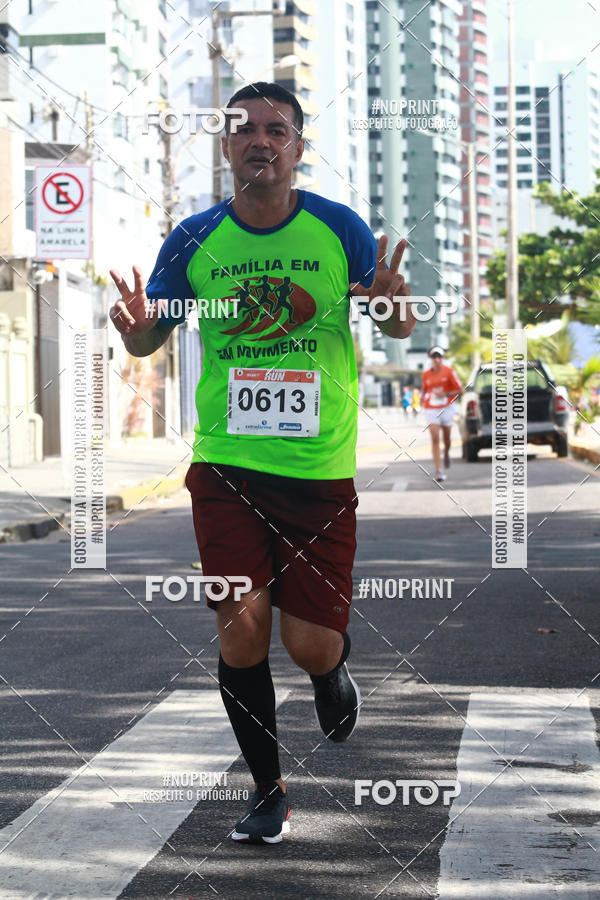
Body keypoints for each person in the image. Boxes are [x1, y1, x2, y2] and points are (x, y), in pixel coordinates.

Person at [109, 82, 415, 845]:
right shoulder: (191, 239)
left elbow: (396, 323)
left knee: (306, 643)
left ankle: (330, 667)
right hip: (225, 467)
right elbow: (153, 341)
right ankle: (266, 789)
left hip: (317, 468)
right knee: (241, 632)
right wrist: (137, 332)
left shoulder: (339, 229)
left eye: (276, 129)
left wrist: (393, 303)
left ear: (297, 147)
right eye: (243, 129)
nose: (259, 140)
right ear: (225, 146)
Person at [421, 346, 462, 482]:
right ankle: (439, 471)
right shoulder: (426, 374)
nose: (437, 359)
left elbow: (460, 390)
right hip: (431, 408)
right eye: (434, 357)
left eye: (439, 357)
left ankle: (447, 452)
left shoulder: (449, 372)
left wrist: (445, 394)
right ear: (431, 358)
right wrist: (421, 400)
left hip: (447, 407)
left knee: (447, 439)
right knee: (435, 439)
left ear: (443, 358)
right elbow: (424, 389)